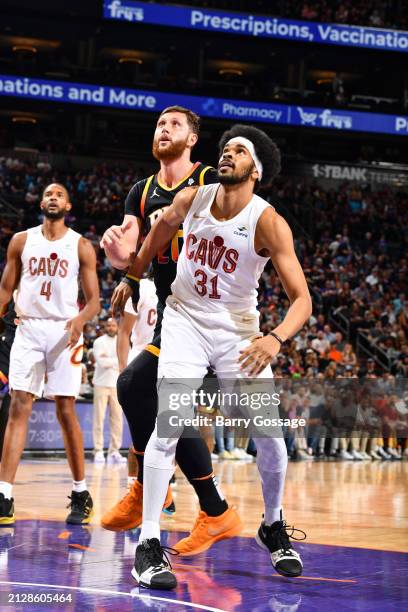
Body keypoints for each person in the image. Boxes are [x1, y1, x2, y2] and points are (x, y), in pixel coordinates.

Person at [112, 124, 312, 589]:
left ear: (256, 170)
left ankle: (273, 524)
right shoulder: (194, 198)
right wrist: (131, 277)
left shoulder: (268, 221)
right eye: (225, 149)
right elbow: (157, 234)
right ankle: (149, 542)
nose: (227, 154)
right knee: (170, 424)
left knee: (272, 439)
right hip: (184, 319)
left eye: (238, 151)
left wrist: (275, 338)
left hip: (239, 330)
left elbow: (301, 299)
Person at [100, 107, 242, 542]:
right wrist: (121, 257)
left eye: (175, 125)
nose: (164, 130)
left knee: (136, 387)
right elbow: (131, 247)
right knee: (150, 397)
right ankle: (212, 508)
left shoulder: (209, 183)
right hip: (173, 313)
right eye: (160, 124)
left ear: (193, 139)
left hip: (210, 315)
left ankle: (155, 487)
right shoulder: (141, 192)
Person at [0, 183, 100, 525]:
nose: (52, 197)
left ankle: (81, 491)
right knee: (18, 406)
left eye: (59, 194)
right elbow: (4, 289)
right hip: (28, 328)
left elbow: (95, 301)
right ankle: (4, 495)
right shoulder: (22, 241)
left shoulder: (81, 246)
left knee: (65, 410)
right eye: (48, 194)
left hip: (64, 331)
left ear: (68, 205)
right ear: (41, 202)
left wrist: (81, 320)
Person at [92, 317, 126, 464]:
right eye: (109, 325)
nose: (111, 327)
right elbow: (102, 362)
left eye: (113, 325)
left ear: (117, 327)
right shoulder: (99, 342)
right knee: (99, 418)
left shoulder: (123, 341)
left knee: (117, 420)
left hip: (116, 384)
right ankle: (98, 451)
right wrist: (117, 361)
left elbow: (127, 361)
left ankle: (114, 451)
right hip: (100, 383)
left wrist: (113, 361)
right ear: (106, 327)